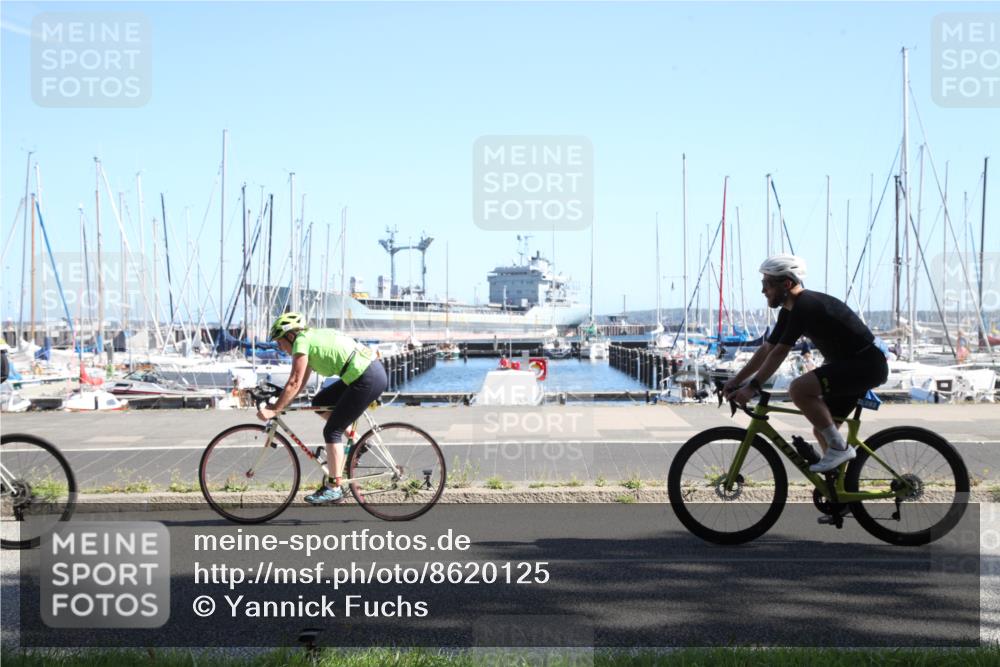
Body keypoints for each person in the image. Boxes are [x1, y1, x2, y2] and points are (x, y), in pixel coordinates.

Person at [723, 254, 888, 473]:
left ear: (786, 284)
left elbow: (780, 352)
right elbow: (767, 349)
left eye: (767, 284)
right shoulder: (790, 311)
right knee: (822, 430)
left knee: (799, 389)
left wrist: (753, 386)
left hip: (865, 365)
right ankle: (837, 486)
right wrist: (736, 381)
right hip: (853, 366)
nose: (763, 290)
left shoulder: (806, 305)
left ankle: (839, 449)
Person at [259, 312, 388, 504]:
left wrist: (274, 409)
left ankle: (334, 488)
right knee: (320, 402)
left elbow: (294, 382)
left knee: (332, 431)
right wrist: (281, 403)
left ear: (291, 336)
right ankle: (358, 443)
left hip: (366, 376)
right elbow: (299, 383)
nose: (280, 347)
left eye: (280, 342)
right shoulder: (308, 339)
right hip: (365, 372)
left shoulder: (301, 342)